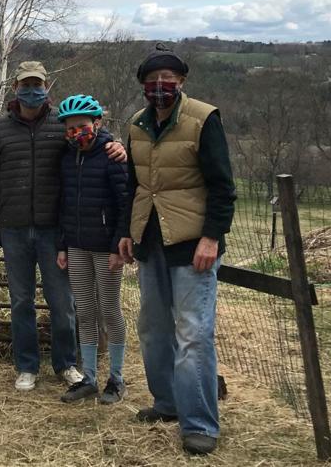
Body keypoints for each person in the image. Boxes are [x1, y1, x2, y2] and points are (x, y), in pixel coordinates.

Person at [0, 61, 126, 392]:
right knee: (20, 300)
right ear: (15, 88)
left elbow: (91, 141)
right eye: (25, 85)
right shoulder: (0, 129)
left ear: (47, 88)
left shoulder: (62, 124)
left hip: (54, 229)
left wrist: (115, 143)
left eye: (37, 84)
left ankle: (66, 363)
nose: (32, 91)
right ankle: (27, 366)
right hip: (13, 228)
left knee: (62, 301)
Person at [117, 45, 236, 455]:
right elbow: (132, 185)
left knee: (193, 335)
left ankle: (200, 422)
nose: (160, 87)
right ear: (143, 86)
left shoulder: (204, 119)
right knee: (153, 330)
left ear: (182, 82)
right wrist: (126, 231)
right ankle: (166, 403)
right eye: (152, 81)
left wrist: (212, 237)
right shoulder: (136, 124)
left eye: (169, 79)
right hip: (150, 241)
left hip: (192, 244)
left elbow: (223, 186)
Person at [52, 95, 130, 405]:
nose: (76, 133)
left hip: (106, 248)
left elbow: (125, 204)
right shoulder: (68, 159)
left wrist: (118, 245)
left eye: (82, 126)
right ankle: (90, 377)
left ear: (97, 123)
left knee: (110, 311)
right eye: (70, 128)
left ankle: (117, 377)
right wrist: (62, 245)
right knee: (84, 312)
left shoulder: (112, 156)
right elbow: (64, 204)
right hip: (77, 245)